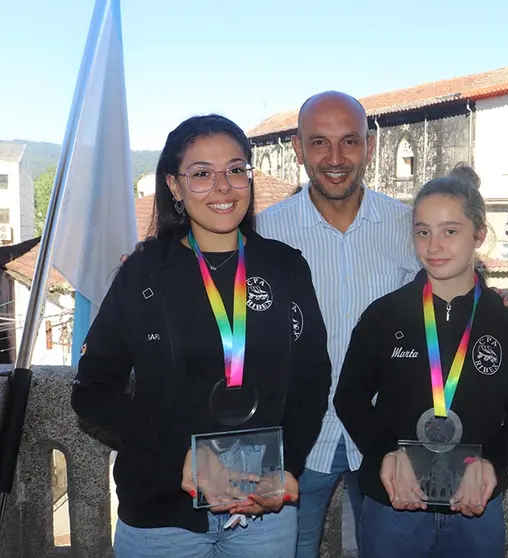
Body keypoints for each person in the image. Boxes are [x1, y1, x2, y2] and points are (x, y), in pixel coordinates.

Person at [256, 91, 508, 556]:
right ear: (297, 150)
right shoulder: (264, 232)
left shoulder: (406, 224)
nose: (336, 158)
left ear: (370, 146)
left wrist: (496, 299)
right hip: (301, 438)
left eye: (350, 142)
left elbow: (450, 281)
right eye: (319, 143)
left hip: (393, 443)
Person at [72, 114, 332, 557]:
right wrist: (183, 454)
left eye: (235, 169)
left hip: (262, 514)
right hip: (161, 516)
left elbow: (312, 378)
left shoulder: (285, 267)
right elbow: (93, 391)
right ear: (173, 185)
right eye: (201, 174)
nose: (223, 186)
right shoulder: (144, 273)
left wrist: (287, 466)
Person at [333, 164, 508, 558]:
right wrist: (385, 455)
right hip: (395, 501)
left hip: (475, 505)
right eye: (422, 231)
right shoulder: (384, 315)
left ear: (479, 234)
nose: (433, 246)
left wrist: (494, 464)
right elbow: (349, 398)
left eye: (450, 231)